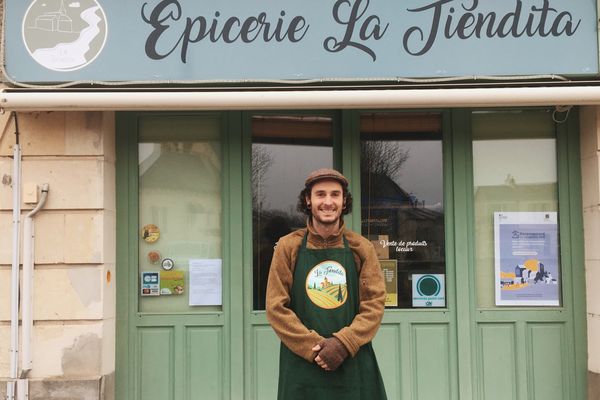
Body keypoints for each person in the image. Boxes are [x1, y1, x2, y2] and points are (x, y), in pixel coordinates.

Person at [266, 168, 387, 400]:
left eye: (335, 195)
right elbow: (276, 307)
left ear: (344, 202)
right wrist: (315, 348)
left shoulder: (361, 247)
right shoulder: (287, 247)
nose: (328, 202)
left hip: (352, 359)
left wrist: (343, 344)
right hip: (302, 362)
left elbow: (374, 304)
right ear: (308, 200)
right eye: (320, 194)